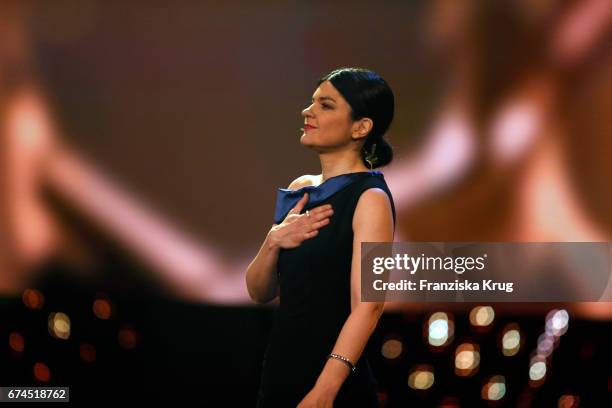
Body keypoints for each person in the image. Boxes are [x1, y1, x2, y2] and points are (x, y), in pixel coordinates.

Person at [246, 67, 396, 407]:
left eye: (325, 105)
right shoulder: (301, 189)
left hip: (333, 384)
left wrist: (325, 390)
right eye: (312, 102)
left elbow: (369, 306)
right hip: (281, 374)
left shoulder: (371, 198)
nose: (307, 111)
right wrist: (273, 241)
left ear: (361, 127)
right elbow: (259, 291)